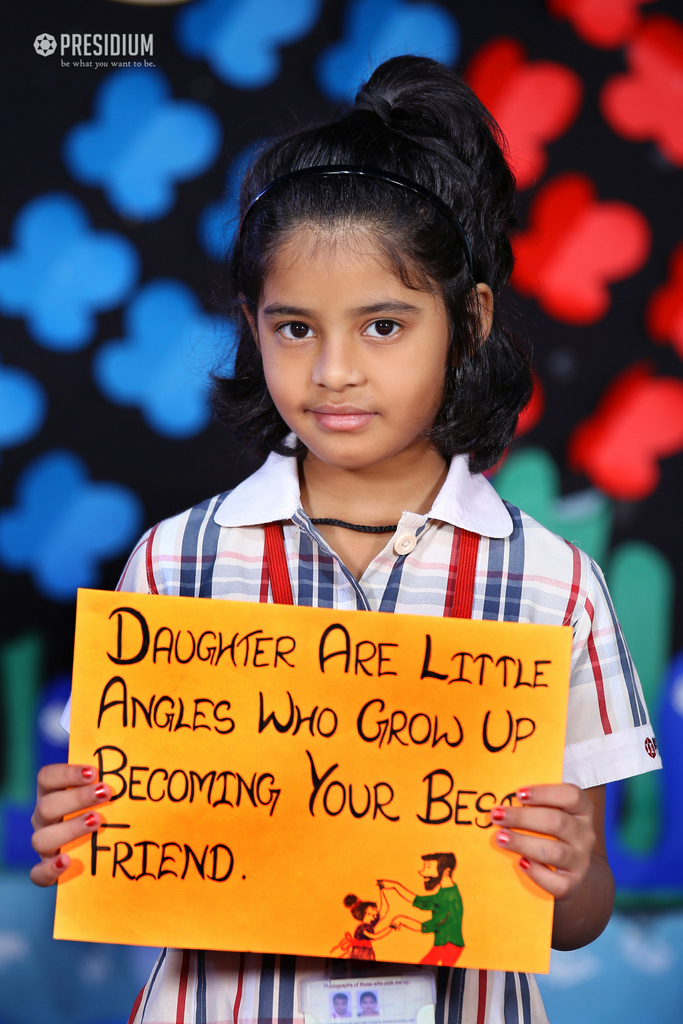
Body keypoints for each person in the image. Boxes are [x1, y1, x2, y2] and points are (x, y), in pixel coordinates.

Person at [29, 54, 661, 1024]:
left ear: (466, 322)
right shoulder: (172, 567)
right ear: (250, 326)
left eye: (380, 324)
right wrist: (81, 833)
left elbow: (577, 915)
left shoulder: (554, 582)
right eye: (292, 328)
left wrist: (572, 867)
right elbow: (137, 863)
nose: (331, 371)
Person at [380, 853, 464, 966]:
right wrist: (395, 886)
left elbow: (433, 924)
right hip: (441, 944)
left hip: (450, 946)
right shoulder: (443, 892)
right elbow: (421, 901)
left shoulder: (450, 899)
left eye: (428, 867)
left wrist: (402, 920)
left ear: (445, 872)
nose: (422, 872)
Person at [331, 892, 396, 960]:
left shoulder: (370, 924)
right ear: (367, 913)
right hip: (360, 954)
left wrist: (382, 890)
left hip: (367, 952)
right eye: (374, 909)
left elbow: (383, 910)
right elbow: (375, 936)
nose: (377, 911)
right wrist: (390, 928)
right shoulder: (362, 928)